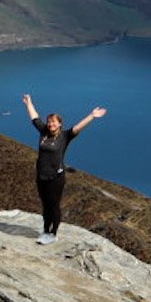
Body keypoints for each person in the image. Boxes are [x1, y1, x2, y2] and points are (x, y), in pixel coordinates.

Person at [23, 94, 106, 244]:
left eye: (54, 122)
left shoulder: (65, 136)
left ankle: (53, 234)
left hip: (56, 178)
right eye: (49, 122)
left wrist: (92, 116)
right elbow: (34, 117)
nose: (50, 124)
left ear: (60, 124)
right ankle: (45, 231)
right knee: (45, 205)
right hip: (41, 176)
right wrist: (29, 103)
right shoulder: (43, 132)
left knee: (54, 205)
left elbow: (78, 127)